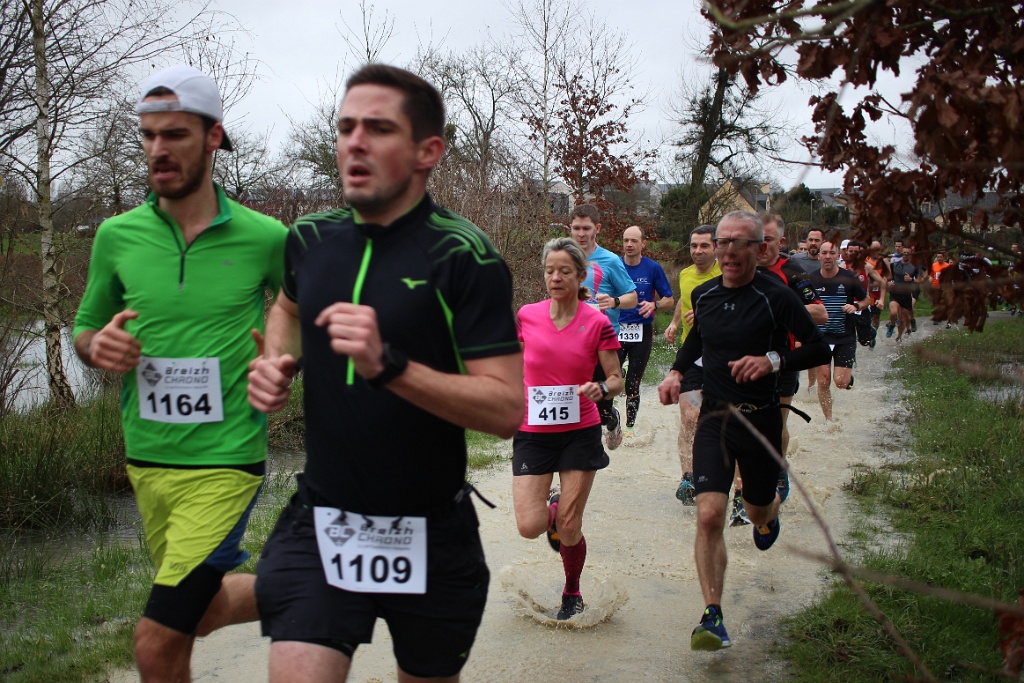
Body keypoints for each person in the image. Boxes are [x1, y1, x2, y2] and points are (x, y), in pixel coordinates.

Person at [247, 64, 524, 683]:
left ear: (428, 151)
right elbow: (286, 307)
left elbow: (507, 409)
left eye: (378, 128)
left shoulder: (465, 256)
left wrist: (389, 366)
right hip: (325, 519)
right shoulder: (309, 239)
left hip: (431, 529)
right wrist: (275, 361)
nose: (355, 142)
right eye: (345, 127)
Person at [72, 64, 288, 682]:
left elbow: (296, 314)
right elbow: (86, 327)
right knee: (198, 613)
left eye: (175, 135)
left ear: (213, 136)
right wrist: (96, 346)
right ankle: (316, 582)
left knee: (155, 641)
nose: (158, 149)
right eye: (148, 136)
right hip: (147, 458)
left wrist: (281, 364)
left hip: (226, 460)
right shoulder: (116, 236)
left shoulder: (265, 237)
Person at [658, 211, 830, 651]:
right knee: (709, 515)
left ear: (759, 248)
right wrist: (676, 373)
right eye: (723, 242)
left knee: (756, 510)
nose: (729, 251)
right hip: (716, 418)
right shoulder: (706, 294)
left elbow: (817, 348)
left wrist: (772, 361)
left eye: (740, 243)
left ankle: (770, 511)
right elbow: (698, 341)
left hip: (760, 419)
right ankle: (712, 615)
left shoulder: (777, 296)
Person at [513, 237, 622, 621]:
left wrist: (601, 388)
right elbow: (512, 364)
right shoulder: (527, 315)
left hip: (580, 430)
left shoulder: (597, 322)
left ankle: (572, 592)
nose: (555, 278)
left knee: (570, 528)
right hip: (533, 431)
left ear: (580, 276)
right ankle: (556, 505)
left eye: (563, 271)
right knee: (529, 526)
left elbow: (616, 379)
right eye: (549, 271)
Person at [758, 214, 826, 501]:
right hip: (744, 357)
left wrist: (779, 307)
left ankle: (777, 469)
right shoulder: (738, 266)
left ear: (781, 241)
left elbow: (820, 313)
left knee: (776, 423)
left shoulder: (792, 271)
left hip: (782, 358)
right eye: (756, 240)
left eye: (768, 240)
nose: (761, 246)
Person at [570, 204, 637, 451]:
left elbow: (633, 297)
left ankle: (611, 418)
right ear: (570, 228)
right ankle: (578, 450)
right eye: (577, 228)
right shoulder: (563, 256)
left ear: (596, 228)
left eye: (586, 228)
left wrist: (615, 301)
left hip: (604, 340)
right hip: (571, 340)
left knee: (601, 403)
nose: (581, 234)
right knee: (574, 397)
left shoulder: (610, 261)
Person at [663, 225, 720, 505]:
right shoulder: (685, 274)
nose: (698, 251)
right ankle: (688, 478)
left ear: (716, 247)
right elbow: (684, 302)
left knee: (720, 421)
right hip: (693, 357)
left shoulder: (725, 275)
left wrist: (707, 318)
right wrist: (675, 322)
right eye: (694, 245)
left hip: (721, 359)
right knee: (689, 417)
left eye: (704, 246)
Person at [618, 225, 674, 435]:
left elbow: (669, 299)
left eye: (634, 240)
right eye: (626, 240)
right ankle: (611, 422)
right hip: (616, 330)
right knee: (611, 379)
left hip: (642, 331)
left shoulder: (652, 268)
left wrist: (654, 304)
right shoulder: (615, 266)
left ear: (643, 244)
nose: (629, 244)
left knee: (632, 384)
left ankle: (630, 429)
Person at [809, 242, 869, 422]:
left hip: (845, 336)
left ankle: (848, 379)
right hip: (820, 338)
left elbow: (866, 300)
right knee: (823, 381)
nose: (828, 256)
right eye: (824, 253)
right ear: (819, 256)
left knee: (841, 382)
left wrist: (856, 306)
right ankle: (828, 420)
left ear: (837, 256)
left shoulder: (849, 277)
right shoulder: (811, 279)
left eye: (831, 253)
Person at [885, 244, 925, 344]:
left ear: (911, 254)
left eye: (908, 253)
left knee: (902, 318)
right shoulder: (894, 265)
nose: (906, 255)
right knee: (893, 312)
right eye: (904, 253)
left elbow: (921, 280)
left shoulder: (914, 267)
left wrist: (911, 279)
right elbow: (890, 277)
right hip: (895, 293)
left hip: (906, 295)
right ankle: (892, 325)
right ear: (901, 254)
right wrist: (888, 283)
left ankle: (899, 336)